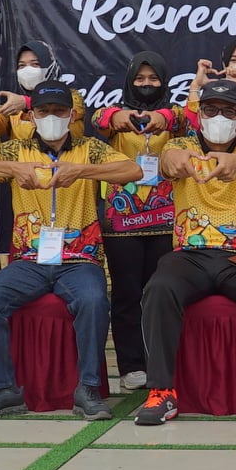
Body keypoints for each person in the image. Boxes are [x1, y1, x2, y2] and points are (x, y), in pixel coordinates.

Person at [0, 82, 141, 419]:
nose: (51, 117)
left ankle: (88, 388)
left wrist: (81, 171)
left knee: (94, 301)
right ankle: (2, 389)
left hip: (80, 258)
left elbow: (133, 170)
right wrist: (12, 169)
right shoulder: (17, 150)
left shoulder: (89, 148)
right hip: (30, 260)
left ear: (72, 114)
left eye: (59, 110)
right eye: (43, 111)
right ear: (32, 116)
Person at [136, 79, 236, 427]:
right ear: (200, 113)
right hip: (191, 254)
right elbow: (168, 161)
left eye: (229, 111)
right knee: (158, 288)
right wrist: (178, 160)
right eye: (211, 109)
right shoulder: (181, 143)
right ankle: (161, 390)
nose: (219, 116)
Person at [91, 52, 182, 390]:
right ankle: (131, 365)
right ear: (130, 82)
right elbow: (98, 118)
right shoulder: (117, 116)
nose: (146, 84)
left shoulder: (175, 117)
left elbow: (187, 118)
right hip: (122, 223)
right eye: (140, 79)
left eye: (153, 79)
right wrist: (118, 115)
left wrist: (163, 116)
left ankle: (161, 360)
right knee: (126, 295)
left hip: (166, 220)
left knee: (162, 294)